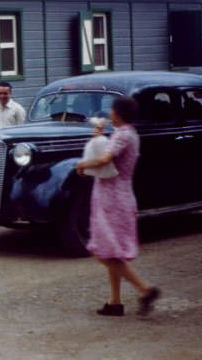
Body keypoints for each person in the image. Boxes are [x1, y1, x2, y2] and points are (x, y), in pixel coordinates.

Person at [75, 96, 161, 317]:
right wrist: (99, 138)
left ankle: (144, 289)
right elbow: (108, 154)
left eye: (112, 110)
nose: (110, 113)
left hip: (112, 197)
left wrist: (83, 164)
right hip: (115, 195)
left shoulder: (123, 135)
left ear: (118, 113)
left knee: (103, 252)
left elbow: (104, 160)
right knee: (111, 249)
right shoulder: (127, 133)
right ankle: (115, 301)